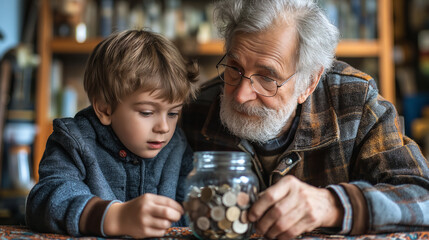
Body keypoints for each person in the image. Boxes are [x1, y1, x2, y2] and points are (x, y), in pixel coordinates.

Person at [181, 0, 429, 239]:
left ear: (308, 83)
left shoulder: (355, 102)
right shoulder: (197, 107)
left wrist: (332, 205)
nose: (241, 94)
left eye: (267, 78)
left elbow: (422, 197)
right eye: (234, 68)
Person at [26, 29, 199, 238]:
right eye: (146, 112)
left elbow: (193, 210)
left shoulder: (177, 147)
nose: (164, 127)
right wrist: (115, 217)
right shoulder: (74, 140)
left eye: (173, 113)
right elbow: (45, 200)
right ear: (105, 108)